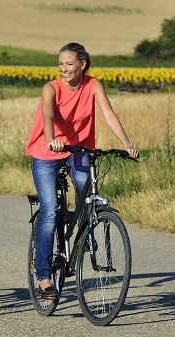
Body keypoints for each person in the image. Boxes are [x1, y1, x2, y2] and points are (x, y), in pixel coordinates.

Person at [26, 42, 139, 300]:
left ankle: (84, 235)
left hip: (79, 149)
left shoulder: (93, 84)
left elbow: (108, 114)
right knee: (50, 211)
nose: (63, 69)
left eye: (69, 64)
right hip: (48, 152)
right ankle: (44, 277)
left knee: (86, 196)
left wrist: (126, 144)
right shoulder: (50, 88)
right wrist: (52, 138)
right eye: (60, 64)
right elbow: (47, 116)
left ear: (82, 64)